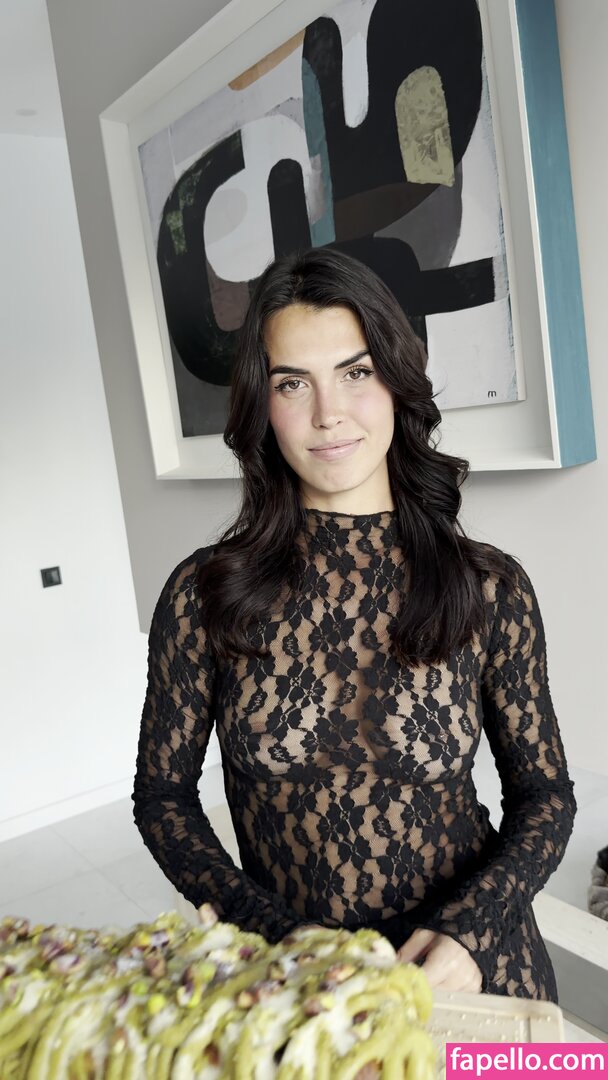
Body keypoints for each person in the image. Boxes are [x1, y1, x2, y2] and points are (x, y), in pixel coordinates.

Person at [132, 246, 576, 1001]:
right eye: (292, 383)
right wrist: (271, 933)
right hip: (296, 987)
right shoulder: (203, 595)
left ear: (396, 382)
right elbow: (162, 798)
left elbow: (547, 797)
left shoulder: (488, 587)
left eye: (355, 372)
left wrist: (473, 929)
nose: (327, 413)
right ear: (262, 405)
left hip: (475, 975)